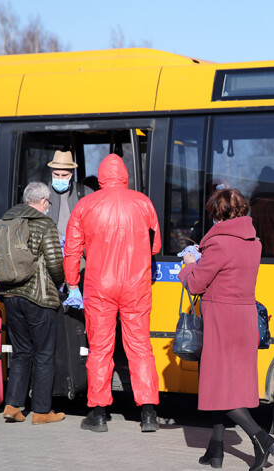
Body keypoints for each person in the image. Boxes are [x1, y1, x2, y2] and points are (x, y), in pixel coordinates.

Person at [178, 188, 274, 471]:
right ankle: (217, 450)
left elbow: (197, 284)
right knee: (223, 386)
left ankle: (261, 438)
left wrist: (187, 266)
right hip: (244, 318)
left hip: (221, 321)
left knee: (220, 388)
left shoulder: (219, 244)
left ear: (217, 214)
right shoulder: (253, 242)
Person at [63, 153, 162, 433]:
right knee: (141, 347)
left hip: (99, 286)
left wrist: (72, 283)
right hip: (136, 285)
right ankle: (148, 413)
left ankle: (98, 413)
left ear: (102, 176)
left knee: (100, 349)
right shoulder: (143, 203)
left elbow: (71, 251)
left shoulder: (85, 205)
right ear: (125, 175)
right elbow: (155, 247)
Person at [0, 181, 66, 425]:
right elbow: (55, 262)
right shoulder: (43, 223)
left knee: (21, 353)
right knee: (44, 354)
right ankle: (41, 411)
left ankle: (13, 405)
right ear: (43, 202)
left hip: (10, 295)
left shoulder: (6, 220)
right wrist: (62, 283)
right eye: (48, 202)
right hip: (38, 296)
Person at [46, 150, 93, 243]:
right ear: (51, 172)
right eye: (56, 174)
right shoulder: (42, 193)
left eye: (64, 175)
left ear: (72, 174)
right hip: (50, 251)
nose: (59, 178)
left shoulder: (86, 193)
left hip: (78, 250)